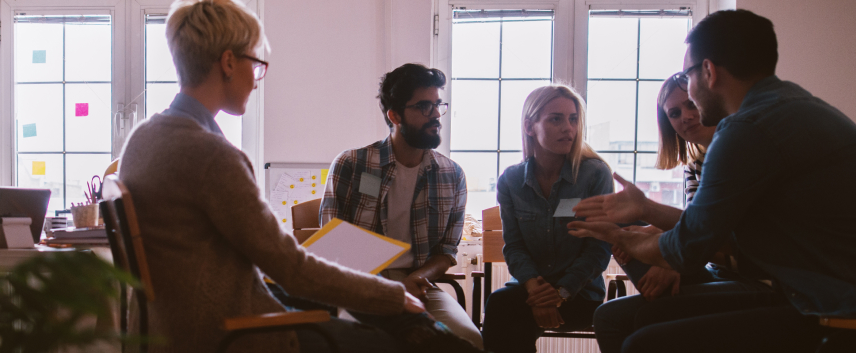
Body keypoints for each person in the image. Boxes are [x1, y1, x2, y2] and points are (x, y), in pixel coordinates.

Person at [569, 9, 856, 352]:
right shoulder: (787, 107)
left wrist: (622, 237)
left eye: (687, 77)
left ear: (709, 71)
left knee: (645, 343)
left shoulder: (746, 129)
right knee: (634, 322)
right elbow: (724, 236)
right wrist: (646, 218)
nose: (688, 98)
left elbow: (686, 250)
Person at [117, 2, 442, 352]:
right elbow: (291, 269)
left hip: (164, 327)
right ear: (228, 62)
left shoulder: (143, 138)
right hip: (226, 332)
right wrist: (393, 296)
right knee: (384, 342)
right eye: (256, 65)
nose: (257, 81)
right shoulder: (212, 156)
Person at [588, 73, 774, 353]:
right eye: (674, 113)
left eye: (690, 105)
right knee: (610, 307)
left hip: (758, 278)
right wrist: (645, 236)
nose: (685, 116)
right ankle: (663, 294)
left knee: (636, 317)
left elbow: (722, 236)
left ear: (708, 101)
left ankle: (664, 300)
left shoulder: (739, 152)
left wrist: (671, 260)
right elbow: (697, 225)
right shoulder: (695, 165)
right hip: (716, 270)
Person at [318, 63, 482, 349]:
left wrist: (418, 277)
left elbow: (446, 251)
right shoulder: (351, 164)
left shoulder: (451, 175)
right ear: (394, 115)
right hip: (361, 287)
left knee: (468, 339)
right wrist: (383, 288)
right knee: (371, 343)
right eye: (423, 106)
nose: (435, 115)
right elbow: (333, 242)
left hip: (419, 286)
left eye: (437, 105)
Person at [480, 85, 614, 353]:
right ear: (530, 126)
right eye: (556, 119)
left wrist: (560, 293)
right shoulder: (511, 181)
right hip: (530, 291)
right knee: (501, 305)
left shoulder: (595, 174)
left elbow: (599, 248)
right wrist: (535, 291)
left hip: (580, 293)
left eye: (573, 119)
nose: (568, 128)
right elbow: (514, 246)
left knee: (511, 316)